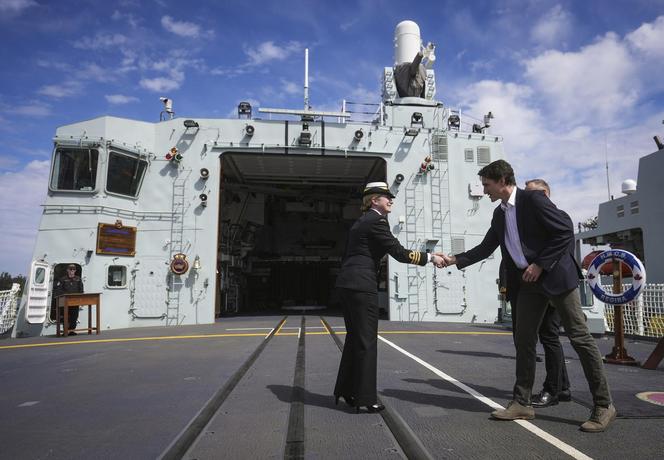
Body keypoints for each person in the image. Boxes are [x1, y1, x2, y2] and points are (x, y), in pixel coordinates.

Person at [437, 160, 615, 432]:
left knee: (579, 337)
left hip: (554, 276)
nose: (484, 191)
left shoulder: (533, 200)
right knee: (523, 340)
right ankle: (522, 403)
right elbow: (486, 248)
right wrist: (453, 260)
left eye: (487, 185)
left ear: (502, 181)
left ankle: (604, 405)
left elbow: (565, 229)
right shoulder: (499, 215)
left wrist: (541, 263)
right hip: (528, 282)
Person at [334, 181, 444, 413]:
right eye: (386, 197)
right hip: (363, 286)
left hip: (348, 283)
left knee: (355, 338)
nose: (390, 200)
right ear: (374, 200)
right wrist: (430, 258)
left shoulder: (361, 222)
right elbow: (398, 252)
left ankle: (347, 391)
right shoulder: (377, 221)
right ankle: (365, 398)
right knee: (366, 340)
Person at [523, 179, 571, 408]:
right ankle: (563, 387)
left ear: (544, 194)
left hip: (554, 285)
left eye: (532, 194)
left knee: (550, 337)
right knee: (550, 337)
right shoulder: (544, 220)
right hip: (546, 286)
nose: (528, 198)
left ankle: (552, 390)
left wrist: (539, 266)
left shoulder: (557, 217)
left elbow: (560, 249)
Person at [54, 264, 84, 335]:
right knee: (65, 316)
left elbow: (81, 289)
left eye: (73, 269)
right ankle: (65, 331)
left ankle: (71, 330)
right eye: (70, 269)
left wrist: (80, 298)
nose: (72, 271)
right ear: (67, 270)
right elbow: (59, 290)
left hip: (75, 301)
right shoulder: (63, 279)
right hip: (65, 301)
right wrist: (64, 296)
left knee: (74, 316)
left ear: (75, 271)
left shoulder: (78, 279)